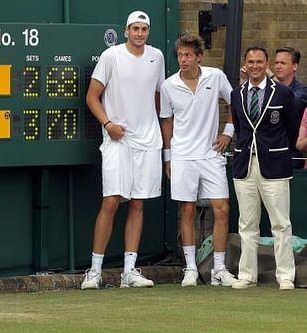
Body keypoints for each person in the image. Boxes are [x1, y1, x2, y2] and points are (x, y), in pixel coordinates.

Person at [81, 10, 165, 289]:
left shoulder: (157, 57)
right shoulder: (111, 56)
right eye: (135, 29)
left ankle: (129, 272)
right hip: (117, 140)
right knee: (112, 201)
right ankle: (94, 271)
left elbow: (157, 97)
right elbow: (92, 97)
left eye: (144, 29)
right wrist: (108, 124)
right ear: (126, 30)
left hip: (148, 142)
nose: (140, 33)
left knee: (138, 203)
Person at [159, 33, 237, 287]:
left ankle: (219, 268)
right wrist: (168, 157)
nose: (183, 60)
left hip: (211, 154)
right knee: (187, 209)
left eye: (188, 55)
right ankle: (191, 268)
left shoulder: (215, 77)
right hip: (182, 156)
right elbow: (167, 121)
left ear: (199, 57)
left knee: (222, 209)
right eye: (180, 55)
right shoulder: (169, 85)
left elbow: (235, 103)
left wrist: (227, 133)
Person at [230, 46, 299, 290]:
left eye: (260, 61)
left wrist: (278, 151)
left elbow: (291, 129)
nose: (255, 66)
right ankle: (247, 275)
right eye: (251, 61)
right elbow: (240, 128)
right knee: (247, 223)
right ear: (245, 64)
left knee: (281, 223)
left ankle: (285, 276)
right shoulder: (236, 93)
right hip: (245, 164)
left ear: (266, 62)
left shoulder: (281, 93)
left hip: (275, 165)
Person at [273, 47, 307, 168]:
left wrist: (271, 77)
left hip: (291, 155)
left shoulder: (302, 91)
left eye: (283, 63)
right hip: (266, 152)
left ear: (295, 66)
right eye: (276, 63)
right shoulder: (266, 89)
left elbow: (289, 105)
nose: (278, 66)